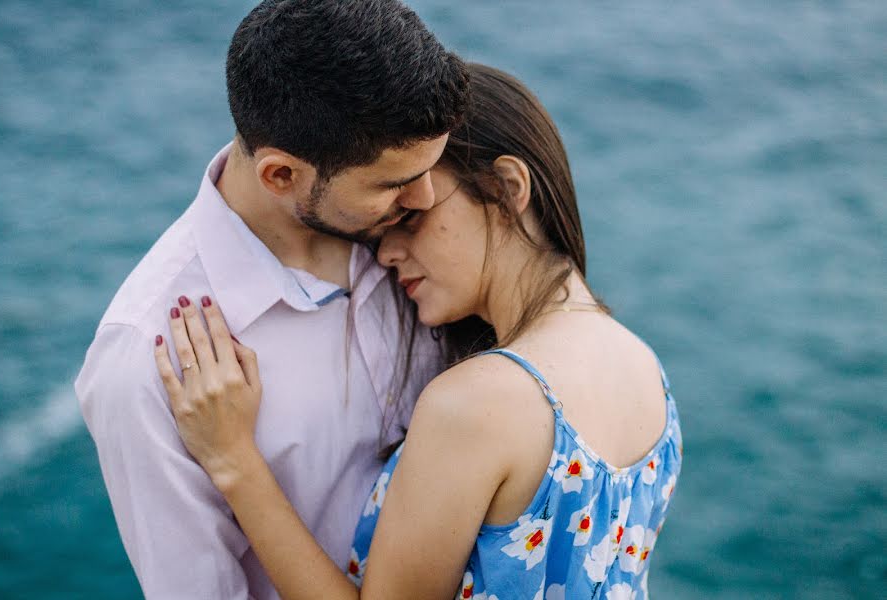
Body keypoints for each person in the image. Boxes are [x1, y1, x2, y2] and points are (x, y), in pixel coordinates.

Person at [153, 64, 684, 599]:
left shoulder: (476, 404)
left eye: (413, 218)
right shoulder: (646, 372)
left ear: (506, 188)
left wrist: (235, 462)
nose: (385, 251)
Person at [74, 1, 469, 598]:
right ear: (281, 176)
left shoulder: (419, 244)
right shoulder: (143, 364)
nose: (427, 197)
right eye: (392, 184)